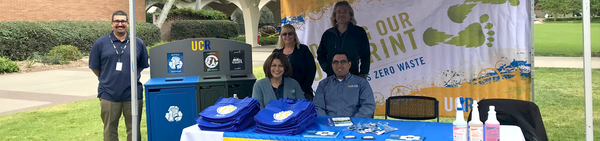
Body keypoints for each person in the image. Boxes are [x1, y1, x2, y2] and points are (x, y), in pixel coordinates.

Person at [89, 10, 149, 141]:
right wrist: (107, 78)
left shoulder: (137, 42)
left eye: (123, 21)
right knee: (110, 131)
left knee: (134, 130)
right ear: (111, 24)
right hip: (108, 94)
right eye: (116, 21)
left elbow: (142, 65)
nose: (120, 24)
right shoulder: (100, 43)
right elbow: (95, 66)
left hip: (132, 94)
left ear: (127, 23)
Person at [317, 1, 370, 79]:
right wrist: (328, 69)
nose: (342, 14)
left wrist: (363, 75)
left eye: (345, 12)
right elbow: (321, 54)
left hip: (353, 77)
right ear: (335, 15)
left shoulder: (359, 32)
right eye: (339, 12)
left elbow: (365, 55)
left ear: (350, 15)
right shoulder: (328, 34)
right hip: (333, 78)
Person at [313, 51, 375, 118]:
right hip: (329, 125)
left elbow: (368, 105)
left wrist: (354, 122)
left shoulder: (361, 83)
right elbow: (317, 107)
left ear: (349, 64)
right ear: (332, 65)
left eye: (343, 62)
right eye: (336, 62)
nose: (339, 65)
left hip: (355, 125)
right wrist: (327, 121)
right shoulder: (323, 84)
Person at [273, 24, 317, 101]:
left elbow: (311, 70)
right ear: (281, 37)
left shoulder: (303, 50)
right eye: (284, 34)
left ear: (294, 35)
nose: (287, 36)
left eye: (290, 33)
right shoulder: (276, 52)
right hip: (281, 92)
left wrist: (303, 89)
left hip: (301, 90)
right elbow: (271, 70)